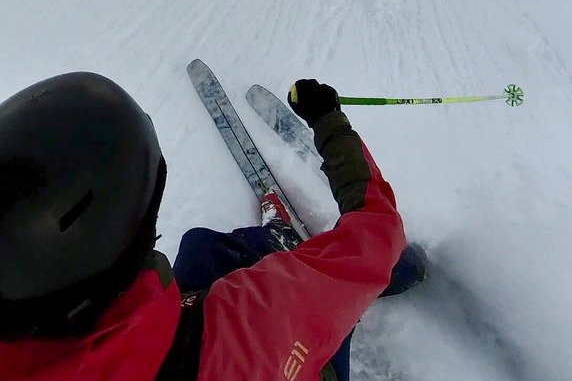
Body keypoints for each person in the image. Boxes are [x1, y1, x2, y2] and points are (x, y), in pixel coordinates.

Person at [0, 72, 426, 381]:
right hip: (256, 350)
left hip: (142, 346)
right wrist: (328, 120)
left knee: (204, 249)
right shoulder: (257, 318)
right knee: (341, 283)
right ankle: (388, 275)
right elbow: (378, 230)